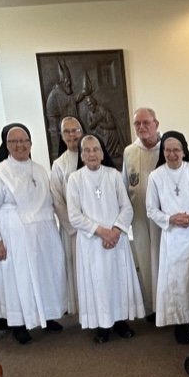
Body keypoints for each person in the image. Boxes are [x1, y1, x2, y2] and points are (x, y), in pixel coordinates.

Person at [0, 124, 67, 344]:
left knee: (45, 275)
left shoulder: (39, 168)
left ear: (30, 143)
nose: (20, 145)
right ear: (7, 145)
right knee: (18, 280)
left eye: (24, 140)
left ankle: (47, 315)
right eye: (14, 141)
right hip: (14, 235)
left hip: (43, 232)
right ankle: (18, 323)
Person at [67, 135, 145, 344]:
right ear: (81, 155)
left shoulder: (113, 175)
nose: (92, 154)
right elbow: (74, 215)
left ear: (102, 153)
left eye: (96, 149)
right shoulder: (74, 179)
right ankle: (102, 325)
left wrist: (116, 231)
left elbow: (126, 207)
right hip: (92, 241)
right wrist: (102, 231)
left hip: (116, 239)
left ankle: (120, 321)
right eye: (87, 150)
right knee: (98, 283)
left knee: (118, 280)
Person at [146, 131, 189, 344]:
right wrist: (171, 218)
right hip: (173, 238)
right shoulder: (156, 176)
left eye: (176, 150)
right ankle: (182, 323)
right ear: (163, 152)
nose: (172, 154)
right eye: (167, 150)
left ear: (184, 151)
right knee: (178, 283)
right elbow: (151, 209)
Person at [122, 107, 162, 320]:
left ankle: (167, 305)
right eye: (137, 123)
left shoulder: (168, 147)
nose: (141, 127)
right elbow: (125, 184)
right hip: (139, 217)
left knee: (163, 260)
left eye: (146, 122)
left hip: (164, 220)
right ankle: (153, 307)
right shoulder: (130, 151)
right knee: (145, 260)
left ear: (157, 124)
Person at [50, 116, 84, 316]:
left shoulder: (92, 153)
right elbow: (57, 199)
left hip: (97, 228)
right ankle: (84, 311)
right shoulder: (59, 164)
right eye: (67, 132)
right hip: (73, 229)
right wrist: (73, 227)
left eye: (75, 130)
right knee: (78, 269)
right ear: (62, 137)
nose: (72, 135)